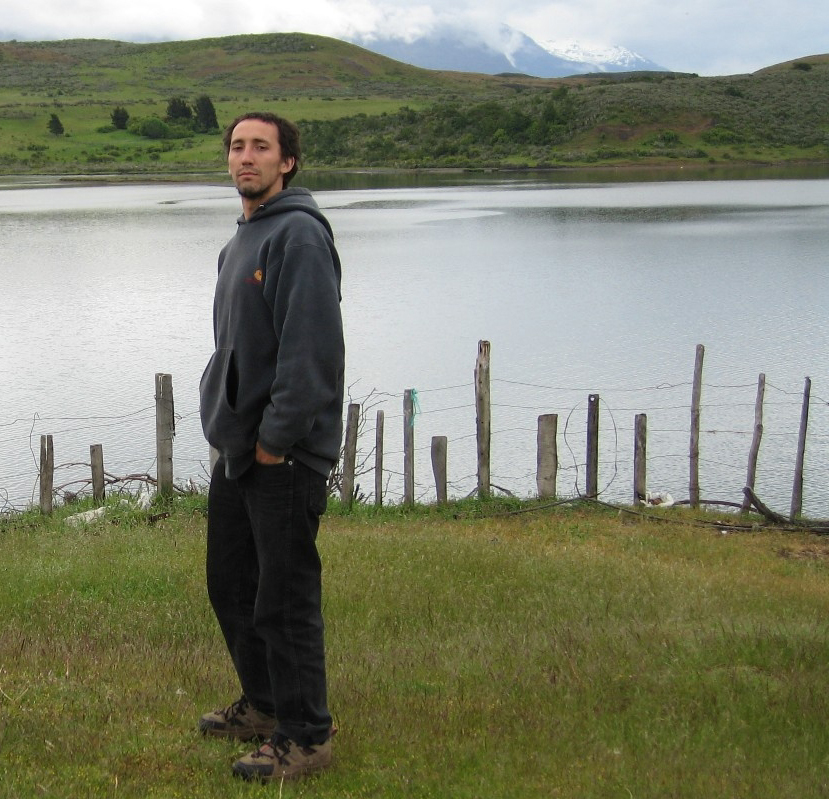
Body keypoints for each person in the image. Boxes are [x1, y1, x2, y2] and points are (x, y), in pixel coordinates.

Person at [198, 111, 344, 782]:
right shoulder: (242, 240)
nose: (246, 157)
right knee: (231, 583)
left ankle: (306, 734)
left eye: (261, 147)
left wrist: (276, 441)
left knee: (283, 598)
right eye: (237, 146)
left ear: (288, 162)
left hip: (282, 453)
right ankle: (263, 704)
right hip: (241, 447)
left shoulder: (299, 235)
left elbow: (311, 351)